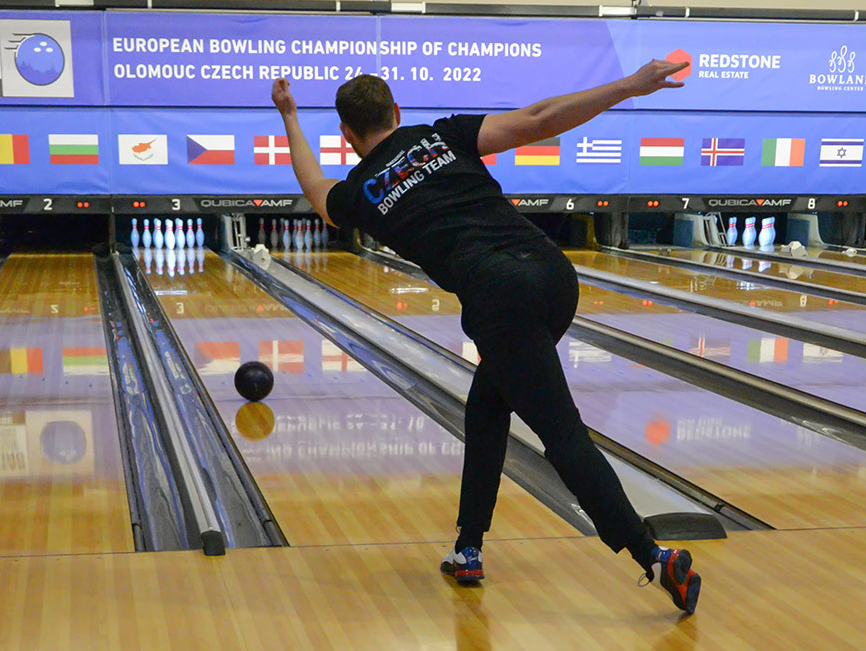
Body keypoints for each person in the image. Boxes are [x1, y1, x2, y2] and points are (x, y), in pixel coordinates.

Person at [271, 58, 701, 615]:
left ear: (347, 135)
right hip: (553, 274)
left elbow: (314, 186)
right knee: (487, 406)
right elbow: (540, 118)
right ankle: (468, 547)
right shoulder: (443, 135)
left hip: (502, 298)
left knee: (562, 435)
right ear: (397, 112)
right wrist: (629, 85)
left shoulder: (360, 193)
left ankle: (654, 555)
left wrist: (289, 116)